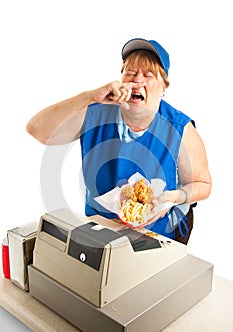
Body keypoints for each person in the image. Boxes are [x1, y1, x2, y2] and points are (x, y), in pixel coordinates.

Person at [26, 38, 212, 244]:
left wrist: (173, 198)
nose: (137, 80)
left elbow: (202, 184)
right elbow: (36, 129)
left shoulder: (179, 128)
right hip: (100, 233)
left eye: (148, 75)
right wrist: (89, 96)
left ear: (164, 87)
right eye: (130, 73)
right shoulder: (95, 114)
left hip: (155, 237)